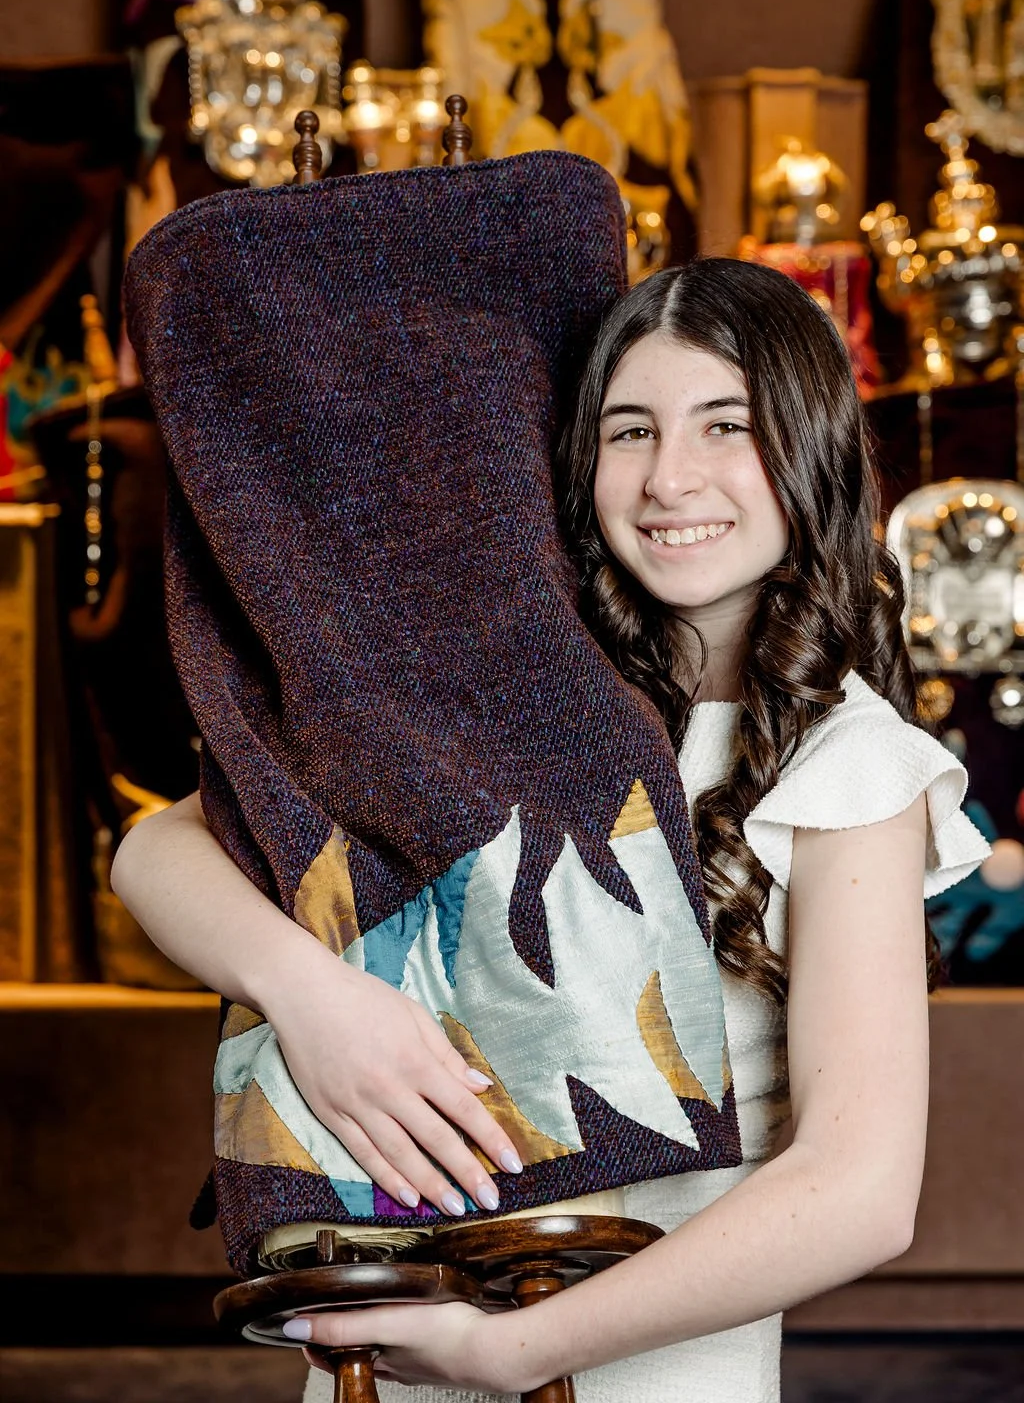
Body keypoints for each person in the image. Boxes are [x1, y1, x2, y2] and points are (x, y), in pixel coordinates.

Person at [113, 258, 986, 1403]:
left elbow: (860, 1189)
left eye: (726, 425)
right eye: (629, 431)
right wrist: (314, 997)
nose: (672, 478)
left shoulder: (846, 761)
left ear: (812, 447)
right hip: (380, 1368)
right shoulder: (501, 700)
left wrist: (509, 1351)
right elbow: (157, 849)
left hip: (643, 1382)